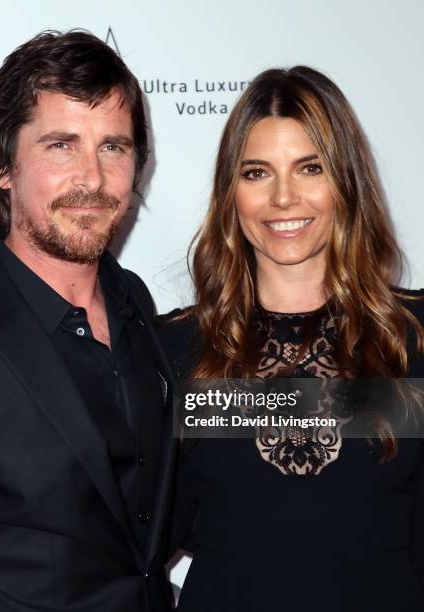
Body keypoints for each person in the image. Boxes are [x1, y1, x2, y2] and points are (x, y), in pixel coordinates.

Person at [0, 30, 175, 612]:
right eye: (62, 145)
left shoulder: (135, 303)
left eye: (114, 147)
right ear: (1, 165)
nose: (92, 178)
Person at [159, 66, 424, 611]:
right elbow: (145, 536)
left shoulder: (413, 337)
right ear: (231, 192)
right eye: (257, 173)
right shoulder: (176, 348)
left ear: (346, 181)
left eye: (310, 168)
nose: (283, 197)